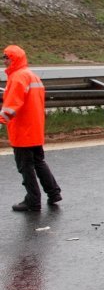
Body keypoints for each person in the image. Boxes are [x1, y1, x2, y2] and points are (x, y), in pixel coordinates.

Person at [1, 45, 62, 212]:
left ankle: (33, 200)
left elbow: (11, 107)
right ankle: (54, 192)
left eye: (6, 58)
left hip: (22, 131)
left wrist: (1, 119)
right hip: (35, 129)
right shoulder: (32, 76)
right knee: (38, 162)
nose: (4, 61)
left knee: (25, 167)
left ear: (14, 59)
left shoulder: (17, 77)